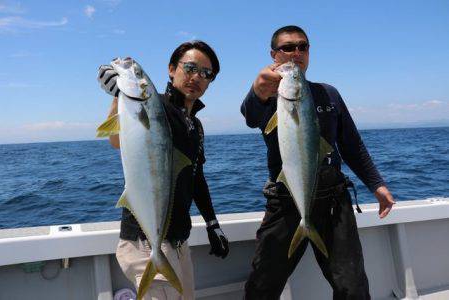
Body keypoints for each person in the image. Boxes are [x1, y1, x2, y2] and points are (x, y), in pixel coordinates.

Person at [240, 25, 395, 299]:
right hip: (286, 202)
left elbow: (351, 144)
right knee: (262, 287)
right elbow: (250, 115)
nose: (296, 52)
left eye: (303, 46)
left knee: (353, 288)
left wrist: (377, 184)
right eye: (288, 47)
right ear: (273, 54)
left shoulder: (328, 94)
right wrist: (257, 90)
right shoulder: (268, 95)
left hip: (334, 201)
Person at [97, 40, 229, 300]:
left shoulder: (195, 125)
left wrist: (212, 223)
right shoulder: (155, 106)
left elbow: (196, 177)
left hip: (178, 242)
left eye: (206, 73)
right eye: (190, 68)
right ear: (171, 69)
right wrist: (118, 95)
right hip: (147, 242)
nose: (196, 77)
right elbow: (115, 140)